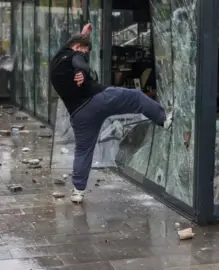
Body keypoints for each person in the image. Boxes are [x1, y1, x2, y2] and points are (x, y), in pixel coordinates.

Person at [50, 23, 170, 204]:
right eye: (85, 49)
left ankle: (78, 191)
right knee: (136, 97)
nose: (85, 53)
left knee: (83, 150)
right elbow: (79, 62)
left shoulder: (57, 58)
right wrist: (82, 72)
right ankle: (163, 119)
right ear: (77, 48)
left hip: (78, 114)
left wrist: (83, 34)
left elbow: (75, 48)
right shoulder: (76, 56)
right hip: (96, 100)